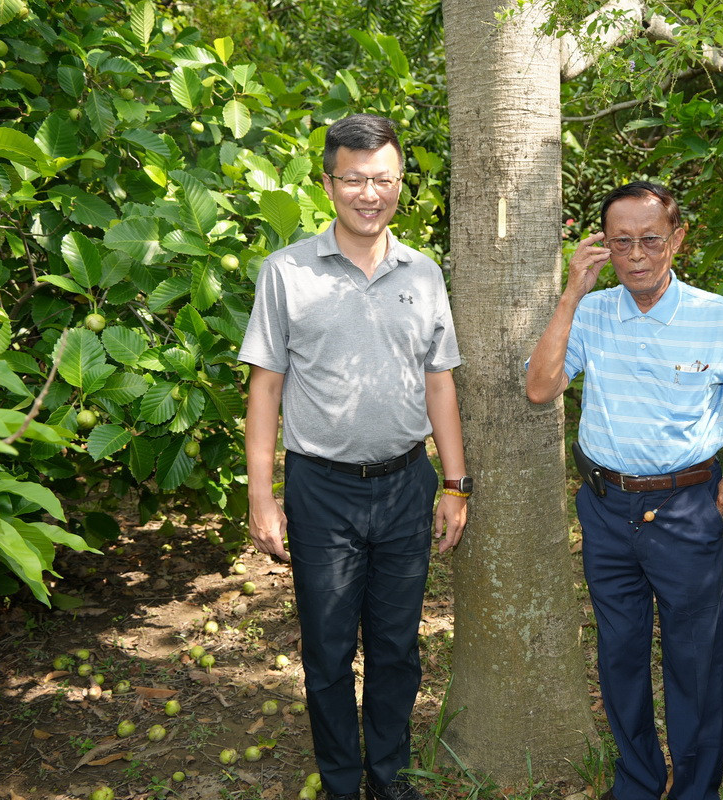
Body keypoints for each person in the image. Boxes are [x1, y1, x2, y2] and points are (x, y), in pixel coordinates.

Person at [525, 181, 723, 800]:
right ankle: (638, 783)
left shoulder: (717, 317)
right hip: (605, 508)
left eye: (651, 239)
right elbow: (540, 389)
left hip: (686, 510)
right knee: (619, 654)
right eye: (622, 243)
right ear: (604, 248)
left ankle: (696, 790)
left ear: (677, 240)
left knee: (693, 661)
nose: (638, 254)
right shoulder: (590, 312)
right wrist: (571, 293)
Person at [239, 113, 471, 800]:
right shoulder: (286, 273)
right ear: (328, 183)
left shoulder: (423, 274)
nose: (371, 194)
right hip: (321, 491)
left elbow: (440, 382)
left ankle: (389, 780)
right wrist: (261, 494)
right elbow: (266, 386)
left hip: (406, 485)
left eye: (385, 180)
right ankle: (342, 783)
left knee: (398, 648)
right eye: (355, 180)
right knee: (330, 652)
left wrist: (454, 482)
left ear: (400, 183)